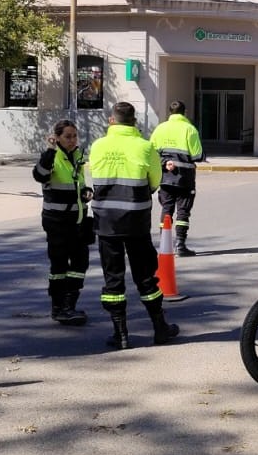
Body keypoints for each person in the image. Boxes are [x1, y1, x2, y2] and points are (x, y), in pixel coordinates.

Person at [88, 101, 178, 350]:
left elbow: (94, 174)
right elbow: (154, 181)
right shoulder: (145, 146)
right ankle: (160, 328)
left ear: (111, 120)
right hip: (136, 221)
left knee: (113, 279)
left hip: (106, 221)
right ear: (134, 121)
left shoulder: (98, 146)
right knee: (146, 277)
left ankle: (121, 334)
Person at [32, 119, 92, 326]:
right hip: (57, 221)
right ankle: (59, 308)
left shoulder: (77, 156)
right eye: (67, 136)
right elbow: (39, 175)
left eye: (74, 136)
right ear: (57, 138)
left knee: (80, 263)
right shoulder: (52, 156)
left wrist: (86, 191)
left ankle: (69, 306)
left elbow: (77, 184)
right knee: (59, 265)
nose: (72, 140)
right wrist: (49, 151)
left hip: (78, 219)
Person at [149, 100, 205, 257]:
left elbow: (151, 153)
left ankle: (164, 244)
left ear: (170, 113)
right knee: (183, 211)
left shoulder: (160, 129)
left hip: (165, 178)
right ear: (184, 113)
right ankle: (180, 244)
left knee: (166, 208)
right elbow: (197, 155)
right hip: (185, 178)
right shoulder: (189, 129)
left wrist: (165, 162)